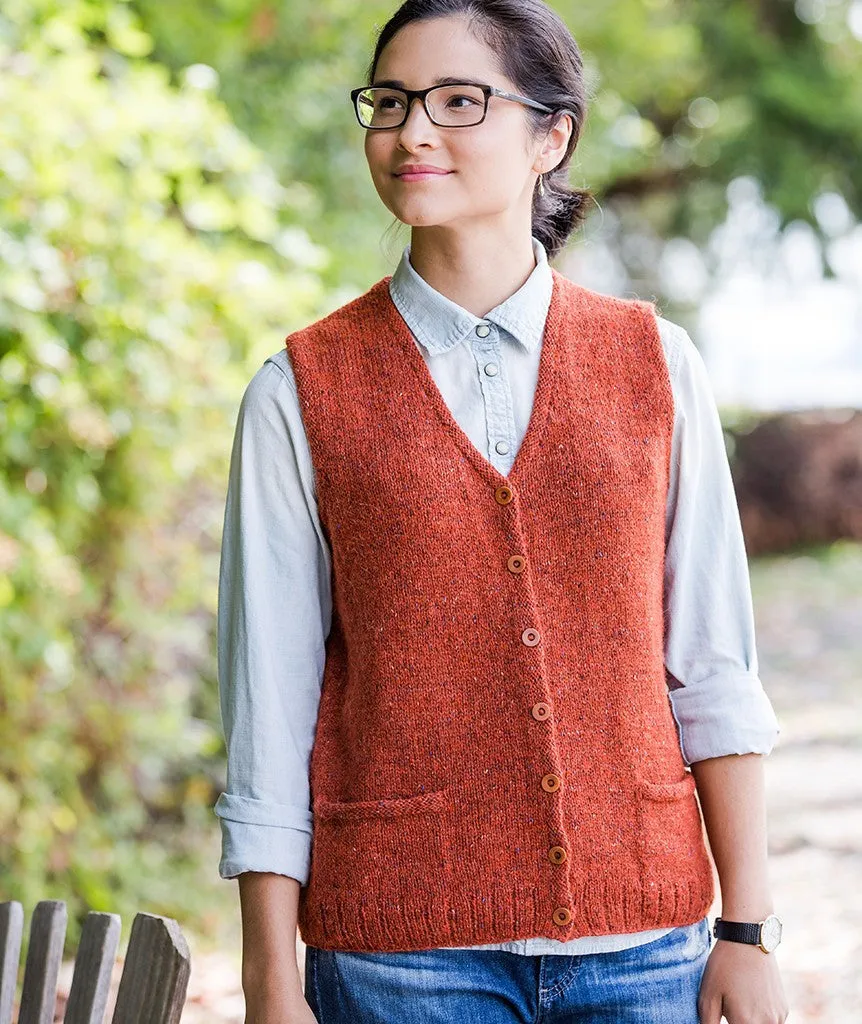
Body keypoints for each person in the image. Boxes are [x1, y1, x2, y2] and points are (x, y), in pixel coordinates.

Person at [213, 1, 791, 1021]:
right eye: (389, 102)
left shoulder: (655, 365)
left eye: (457, 100)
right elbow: (270, 704)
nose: (411, 130)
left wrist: (745, 928)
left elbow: (711, 665)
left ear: (550, 135)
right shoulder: (299, 389)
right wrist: (269, 974)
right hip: (400, 960)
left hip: (645, 950)